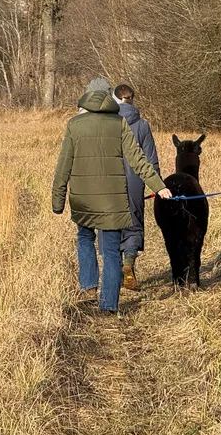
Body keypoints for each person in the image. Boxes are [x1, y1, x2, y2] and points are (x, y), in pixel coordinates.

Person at [52, 77, 172, 314]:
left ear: (85, 99)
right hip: (113, 202)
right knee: (110, 249)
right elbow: (139, 160)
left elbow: (63, 165)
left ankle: (88, 287)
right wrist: (159, 187)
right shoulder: (119, 124)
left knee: (85, 238)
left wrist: (58, 199)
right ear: (109, 100)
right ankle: (108, 306)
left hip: (83, 199)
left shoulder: (74, 125)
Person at [111, 83, 160, 290]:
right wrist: (156, 186)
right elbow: (151, 158)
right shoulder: (142, 125)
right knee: (134, 224)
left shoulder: (108, 122)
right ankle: (129, 263)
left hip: (109, 181)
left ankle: (115, 273)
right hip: (135, 182)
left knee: (111, 226)